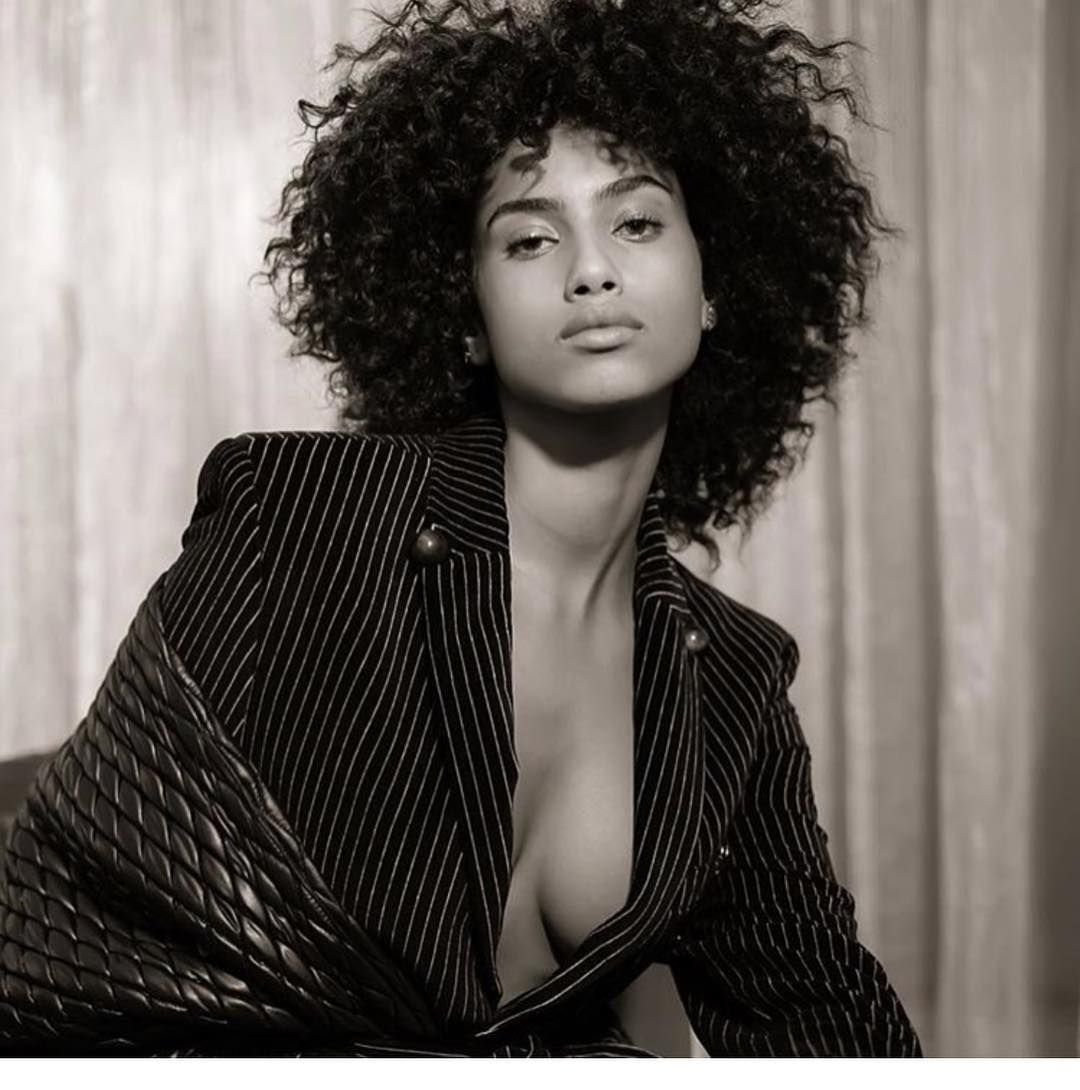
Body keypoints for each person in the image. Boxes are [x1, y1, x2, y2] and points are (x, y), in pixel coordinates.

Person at [0, 0, 922, 1057]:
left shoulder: (733, 683)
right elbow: (67, 917)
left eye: (636, 223)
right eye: (530, 238)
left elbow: (822, 1014)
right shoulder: (296, 518)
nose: (592, 270)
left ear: (716, 283)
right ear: (468, 315)